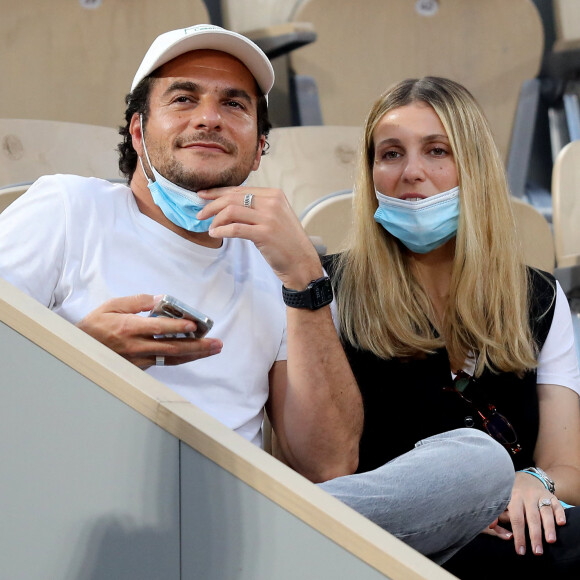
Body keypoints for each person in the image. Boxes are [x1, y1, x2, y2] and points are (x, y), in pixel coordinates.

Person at [0, 26, 514, 564]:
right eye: (182, 98)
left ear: (260, 146)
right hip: (85, 519)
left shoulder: (277, 265)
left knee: (478, 463)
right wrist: (78, 356)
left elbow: (328, 467)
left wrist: (304, 280)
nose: (208, 117)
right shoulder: (69, 208)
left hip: (238, 521)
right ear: (137, 130)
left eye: (234, 104)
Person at [320, 76, 580, 577]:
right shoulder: (328, 289)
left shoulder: (539, 298)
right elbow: (324, 465)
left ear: (474, 169)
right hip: (383, 548)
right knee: (477, 465)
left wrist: (534, 483)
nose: (411, 172)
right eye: (390, 154)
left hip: (507, 532)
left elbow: (566, 468)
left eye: (437, 151)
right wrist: (455, 504)